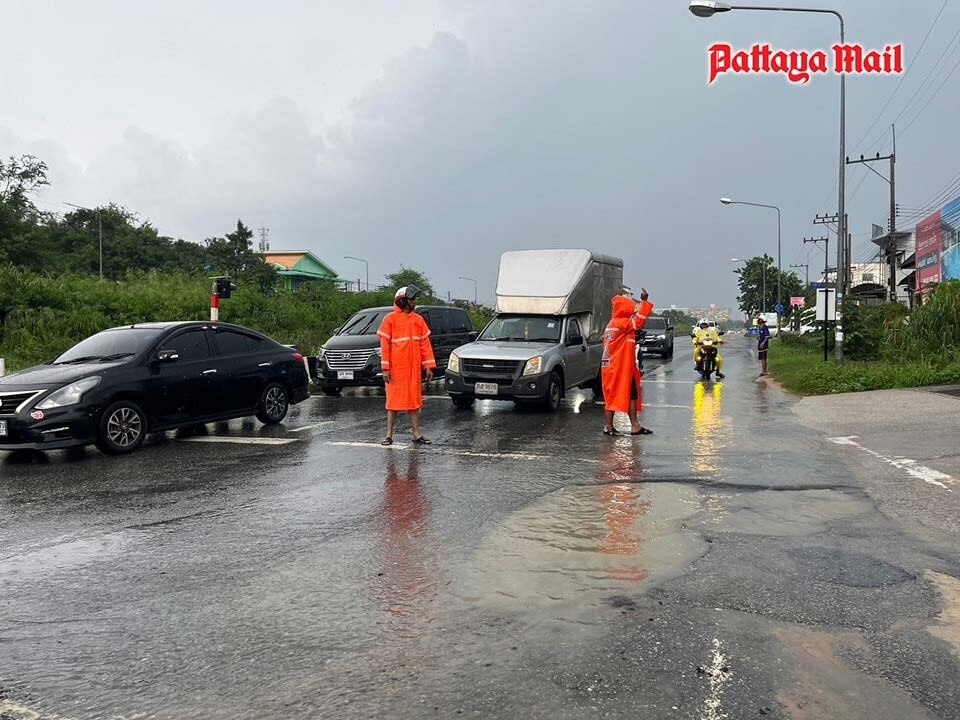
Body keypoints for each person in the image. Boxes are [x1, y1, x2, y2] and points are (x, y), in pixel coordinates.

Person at [377, 286, 437, 445]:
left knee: (414, 402)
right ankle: (389, 435)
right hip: (396, 370)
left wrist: (428, 366)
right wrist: (385, 369)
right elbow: (385, 347)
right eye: (412, 299)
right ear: (403, 300)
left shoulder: (418, 320)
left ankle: (417, 434)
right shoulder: (389, 319)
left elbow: (425, 345)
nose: (414, 302)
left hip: (413, 370)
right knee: (393, 403)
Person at [601, 287, 654, 436]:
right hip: (619, 367)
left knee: (624, 394)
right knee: (625, 395)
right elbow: (639, 321)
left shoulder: (612, 323)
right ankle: (611, 426)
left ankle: (629, 426)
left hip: (613, 366)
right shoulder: (622, 323)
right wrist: (644, 302)